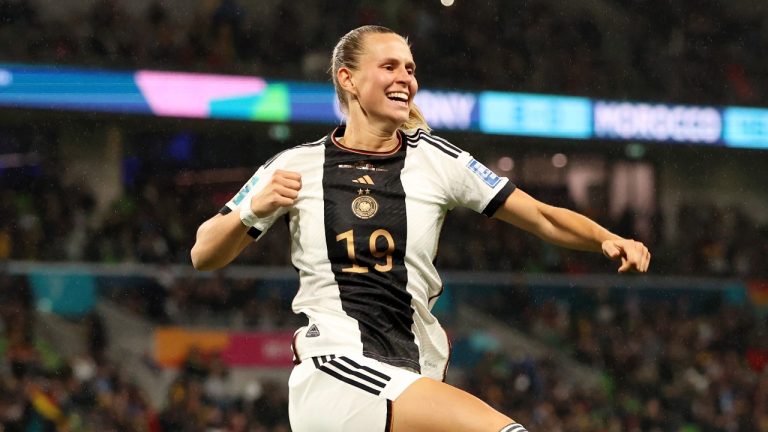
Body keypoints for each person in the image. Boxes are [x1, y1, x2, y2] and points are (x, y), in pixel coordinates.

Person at [191, 25, 651, 432]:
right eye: (389, 66)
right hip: (338, 370)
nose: (405, 78)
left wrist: (605, 238)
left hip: (412, 376)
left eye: (410, 69)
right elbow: (203, 253)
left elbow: (541, 215)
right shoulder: (296, 165)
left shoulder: (437, 160)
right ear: (347, 78)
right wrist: (252, 210)